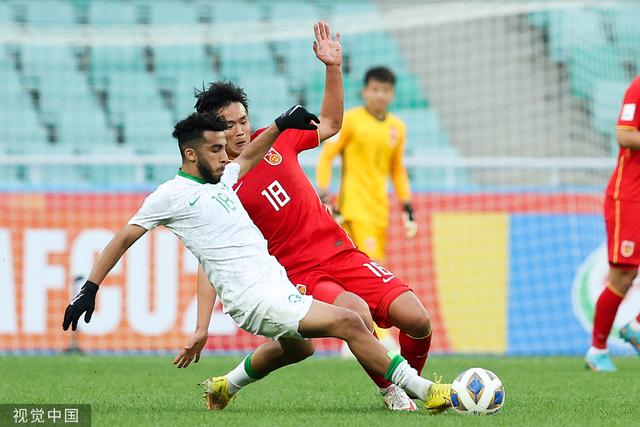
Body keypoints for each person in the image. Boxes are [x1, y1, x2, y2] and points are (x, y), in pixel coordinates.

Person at [61, 109, 451, 413]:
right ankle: (421, 390)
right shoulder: (170, 196)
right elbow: (122, 239)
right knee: (350, 319)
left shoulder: (225, 179)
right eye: (215, 150)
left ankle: (224, 387)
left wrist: (282, 123)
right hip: (254, 298)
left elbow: (249, 154)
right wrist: (89, 289)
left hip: (277, 284)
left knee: (301, 349)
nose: (224, 155)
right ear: (191, 153)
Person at [173, 23, 444, 413]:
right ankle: (397, 392)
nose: (239, 130)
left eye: (243, 120)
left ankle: (406, 383)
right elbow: (208, 259)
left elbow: (332, 123)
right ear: (209, 131)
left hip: (341, 252)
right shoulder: (218, 186)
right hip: (298, 273)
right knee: (355, 314)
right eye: (227, 124)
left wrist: (333, 67)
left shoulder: (276, 137)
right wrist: (201, 327)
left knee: (416, 320)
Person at [315, 66, 417, 263]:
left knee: (366, 270)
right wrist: (324, 193)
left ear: (392, 94)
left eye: (385, 90)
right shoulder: (350, 120)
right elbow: (327, 157)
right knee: (370, 270)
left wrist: (407, 204)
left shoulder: (397, 128)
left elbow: (397, 169)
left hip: (379, 211)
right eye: (375, 90)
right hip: (353, 208)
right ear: (365, 91)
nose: (380, 95)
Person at [585, 76, 640, 372]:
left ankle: (635, 327)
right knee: (623, 275)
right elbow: (625, 134)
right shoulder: (638, 87)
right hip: (630, 197)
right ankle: (597, 350)